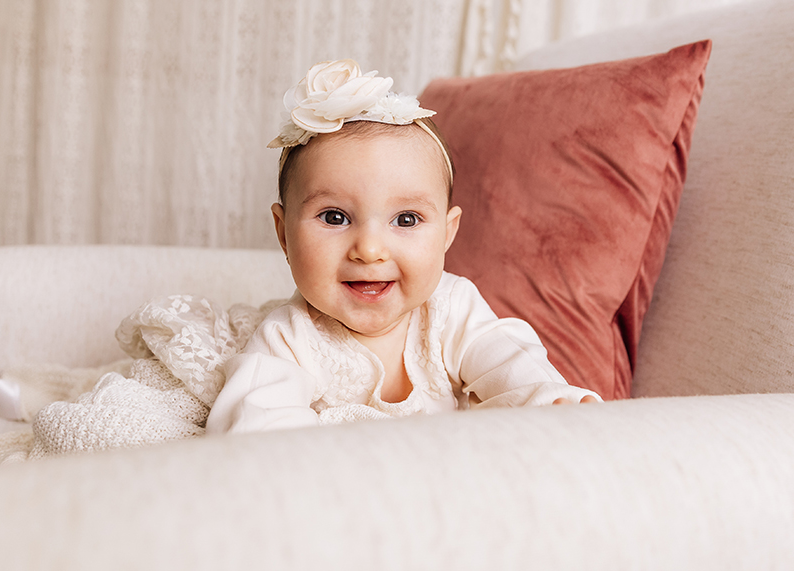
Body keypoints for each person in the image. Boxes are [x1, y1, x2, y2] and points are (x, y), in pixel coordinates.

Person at [206, 60, 600, 434]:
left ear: (447, 233)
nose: (370, 250)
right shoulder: (289, 338)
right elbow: (255, 431)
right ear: (283, 234)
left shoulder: (451, 308)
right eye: (335, 217)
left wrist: (549, 404)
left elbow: (510, 362)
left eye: (406, 220)